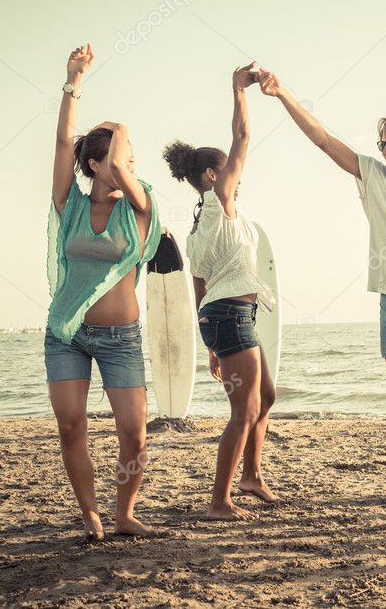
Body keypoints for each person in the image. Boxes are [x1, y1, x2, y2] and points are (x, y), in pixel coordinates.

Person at [257, 68, 386, 502]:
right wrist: (281, 92)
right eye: (382, 144)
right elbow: (323, 140)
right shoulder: (372, 175)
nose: (385, 152)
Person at [45, 44, 162, 543]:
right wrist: (74, 80)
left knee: (134, 433)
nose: (128, 167)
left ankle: (124, 511)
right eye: (119, 160)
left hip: (121, 338)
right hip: (67, 332)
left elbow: (126, 166)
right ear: (95, 164)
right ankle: (90, 513)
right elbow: (61, 144)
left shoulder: (139, 204)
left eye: (130, 161)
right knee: (71, 426)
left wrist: (122, 130)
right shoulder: (69, 202)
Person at [162, 63, 279, 521]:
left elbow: (198, 285)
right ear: (214, 174)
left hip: (225, 317)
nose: (236, 174)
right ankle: (219, 502)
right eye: (228, 170)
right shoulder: (219, 201)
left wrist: (209, 344)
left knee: (264, 397)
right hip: (230, 314)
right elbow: (244, 137)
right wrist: (238, 89)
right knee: (244, 411)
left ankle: (251, 475)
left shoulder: (201, 222)